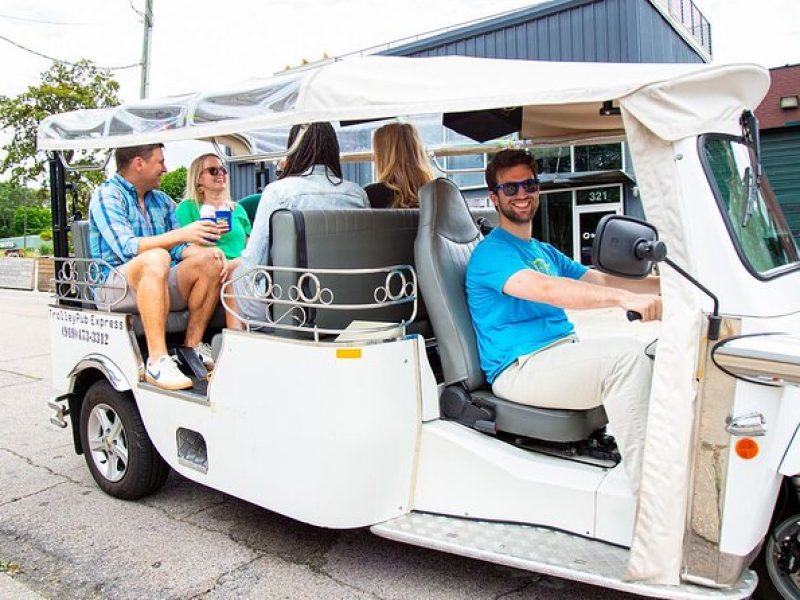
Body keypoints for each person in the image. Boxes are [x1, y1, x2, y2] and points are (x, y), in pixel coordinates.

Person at [466, 149, 661, 496]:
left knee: (654, 354)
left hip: (555, 357)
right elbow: (546, 289)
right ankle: (654, 502)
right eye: (510, 189)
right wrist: (625, 301)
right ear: (494, 198)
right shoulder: (491, 253)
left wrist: (670, 287)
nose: (522, 194)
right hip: (520, 368)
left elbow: (598, 280)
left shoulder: (543, 250)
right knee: (626, 360)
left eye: (529, 184)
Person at [88, 144, 225, 391]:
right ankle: (157, 360)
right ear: (139, 163)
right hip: (114, 286)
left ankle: (190, 350)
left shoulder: (161, 200)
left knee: (209, 260)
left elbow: (177, 249)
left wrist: (208, 254)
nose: (165, 168)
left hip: (155, 277)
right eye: (160, 162)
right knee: (155, 257)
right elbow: (126, 247)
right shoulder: (107, 195)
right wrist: (182, 233)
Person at [231, 122, 369, 322]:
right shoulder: (357, 194)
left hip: (293, 304)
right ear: (333, 148)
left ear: (294, 148)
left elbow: (253, 262)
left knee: (233, 278)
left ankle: (237, 349)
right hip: (347, 299)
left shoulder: (278, 192)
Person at [176, 154, 252, 280]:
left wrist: (234, 264)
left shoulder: (237, 209)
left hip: (240, 270)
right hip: (207, 272)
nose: (220, 174)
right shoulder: (187, 207)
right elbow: (182, 248)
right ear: (199, 178)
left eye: (223, 170)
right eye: (213, 171)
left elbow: (251, 248)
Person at [365, 122, 435, 209]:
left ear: (387, 157)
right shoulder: (437, 194)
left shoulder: (370, 196)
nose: (373, 158)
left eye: (377, 152)